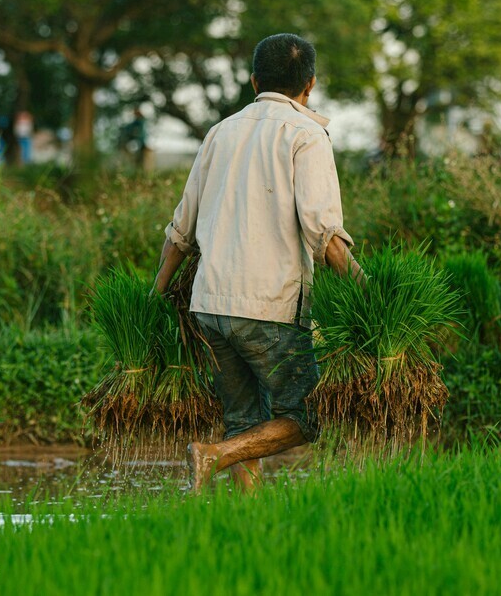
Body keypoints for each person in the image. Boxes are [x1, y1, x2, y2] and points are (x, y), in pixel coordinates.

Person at [151, 33, 364, 493]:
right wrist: (372, 294)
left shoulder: (219, 132)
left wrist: (155, 295)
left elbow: (179, 233)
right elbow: (324, 236)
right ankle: (213, 455)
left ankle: (249, 517)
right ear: (310, 84)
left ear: (253, 81)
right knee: (308, 417)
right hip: (269, 306)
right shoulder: (307, 134)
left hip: (208, 305)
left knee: (244, 419)